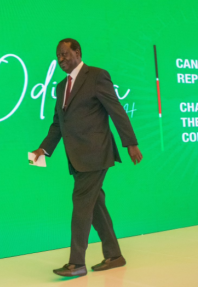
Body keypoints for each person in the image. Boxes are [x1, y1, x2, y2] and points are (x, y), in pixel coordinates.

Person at [32, 38, 142, 277]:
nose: (61, 59)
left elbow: (116, 109)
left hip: (96, 154)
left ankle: (76, 263)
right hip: (77, 157)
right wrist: (44, 149)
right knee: (96, 205)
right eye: (58, 56)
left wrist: (130, 143)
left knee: (81, 204)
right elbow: (57, 124)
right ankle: (114, 255)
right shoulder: (61, 87)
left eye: (65, 54)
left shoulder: (97, 76)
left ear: (78, 52)